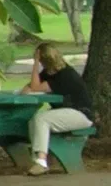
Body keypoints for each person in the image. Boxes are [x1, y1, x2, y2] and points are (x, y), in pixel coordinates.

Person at [23, 43, 96, 173]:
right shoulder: (49, 73)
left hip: (80, 114)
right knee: (33, 121)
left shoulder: (65, 75)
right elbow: (30, 87)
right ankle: (38, 161)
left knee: (41, 118)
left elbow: (34, 88)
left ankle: (41, 161)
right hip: (65, 112)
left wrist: (35, 64)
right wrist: (29, 86)